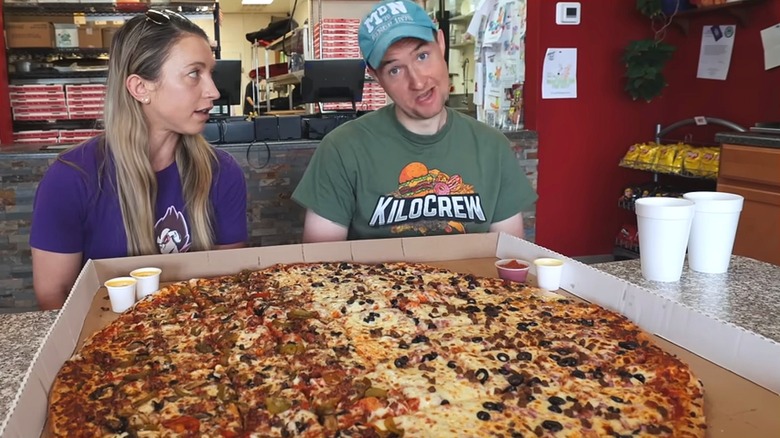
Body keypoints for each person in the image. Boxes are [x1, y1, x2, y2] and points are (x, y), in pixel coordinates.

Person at [29, 9, 248, 310]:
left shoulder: (222, 172)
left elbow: (228, 285)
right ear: (140, 87)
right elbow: (54, 296)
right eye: (194, 73)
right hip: (106, 346)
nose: (212, 91)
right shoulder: (70, 179)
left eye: (211, 73)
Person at [292, 0, 536, 242]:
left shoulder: (492, 147)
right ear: (375, 76)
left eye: (422, 56)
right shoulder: (341, 149)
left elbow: (509, 258)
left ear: (441, 43)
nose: (418, 82)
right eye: (395, 70)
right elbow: (320, 265)